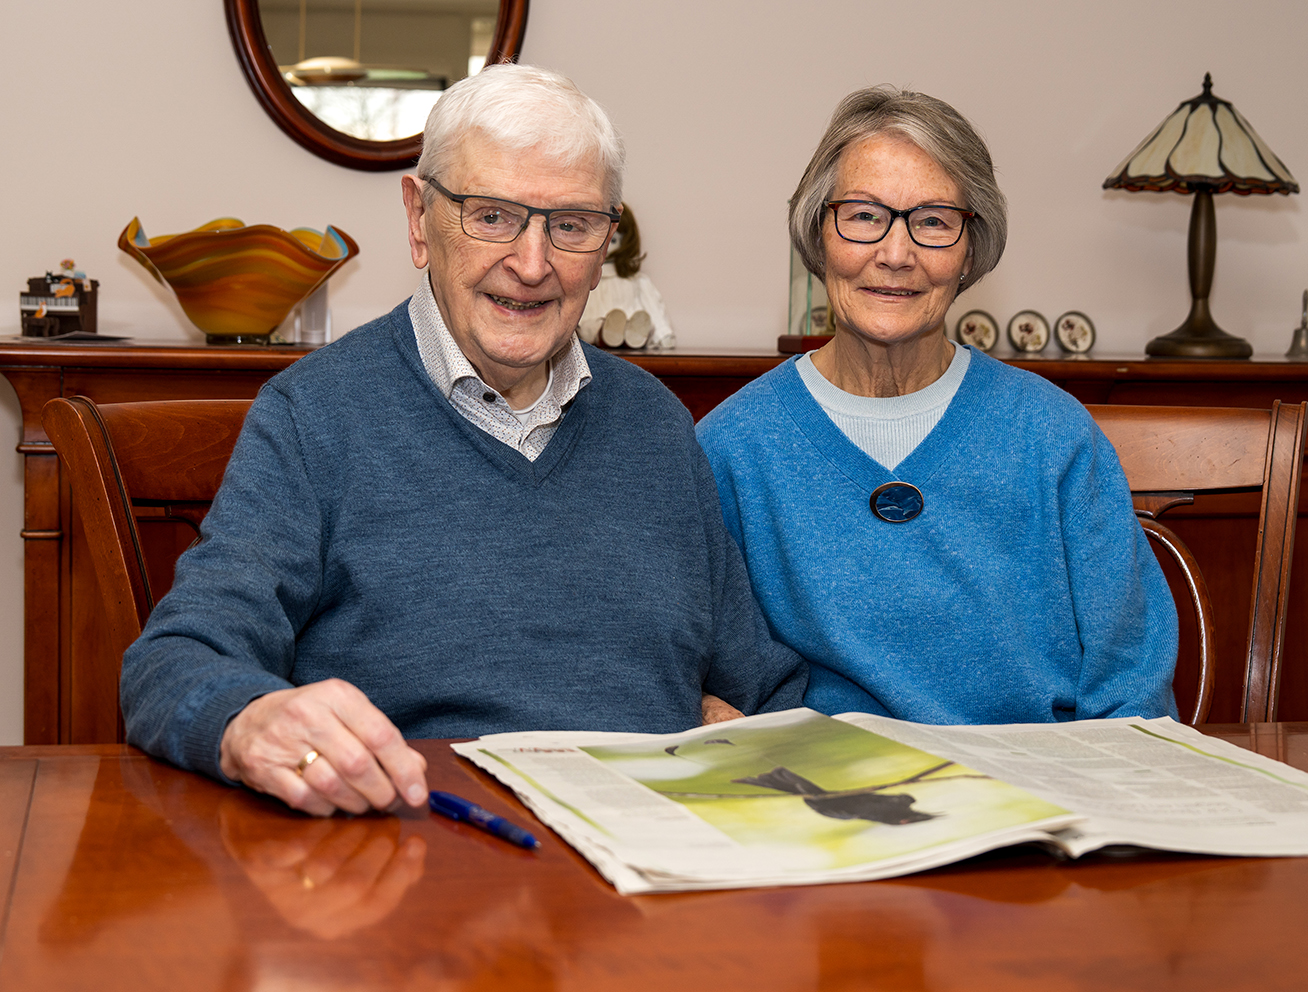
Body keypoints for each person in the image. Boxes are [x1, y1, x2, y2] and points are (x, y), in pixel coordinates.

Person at [121, 64, 805, 817]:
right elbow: (174, 664)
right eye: (491, 216)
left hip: (644, 879)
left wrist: (743, 727)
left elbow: (762, 685)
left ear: (607, 238)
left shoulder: (657, 423)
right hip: (418, 866)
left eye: (571, 224)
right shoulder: (313, 415)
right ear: (419, 220)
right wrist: (249, 720)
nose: (533, 263)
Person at [696, 86, 1177, 726]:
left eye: (932, 221)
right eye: (864, 216)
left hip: (1034, 795)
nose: (895, 255)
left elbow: (1133, 684)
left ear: (970, 249)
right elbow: (706, 677)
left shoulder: (1055, 436)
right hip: (822, 800)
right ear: (817, 233)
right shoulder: (730, 447)